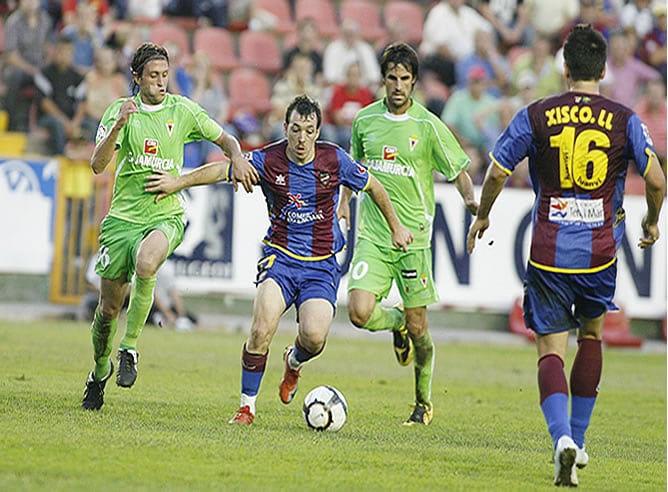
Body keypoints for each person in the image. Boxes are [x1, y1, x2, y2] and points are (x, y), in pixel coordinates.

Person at [466, 25, 665, 487]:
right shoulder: (624, 118)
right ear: (603, 70)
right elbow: (655, 179)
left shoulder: (537, 113)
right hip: (599, 254)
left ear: (566, 68)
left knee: (550, 348)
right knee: (591, 336)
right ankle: (579, 437)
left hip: (549, 252)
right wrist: (652, 220)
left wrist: (484, 215)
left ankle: (561, 440)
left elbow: (496, 172)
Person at [143, 94, 414, 425]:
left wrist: (396, 226)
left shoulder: (334, 159)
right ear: (285, 128)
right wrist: (178, 182)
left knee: (314, 339)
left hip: (321, 266)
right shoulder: (269, 160)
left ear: (318, 131)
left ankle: (294, 362)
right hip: (281, 260)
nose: (301, 138)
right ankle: (246, 407)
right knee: (261, 328)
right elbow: (221, 171)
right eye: (295, 129)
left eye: (309, 130)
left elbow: (374, 186)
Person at [80, 41, 258, 411]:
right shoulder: (120, 111)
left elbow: (226, 138)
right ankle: (99, 371)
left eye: (165, 75)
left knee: (147, 264)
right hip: (122, 219)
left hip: (165, 213)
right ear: (137, 78)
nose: (162, 83)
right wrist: (118, 126)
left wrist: (237, 157)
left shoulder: (183, 109)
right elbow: (97, 165)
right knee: (108, 309)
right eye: (154, 76)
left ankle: (129, 349)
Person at [337, 43, 478, 426]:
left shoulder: (427, 125)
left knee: (421, 329)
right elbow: (354, 166)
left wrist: (471, 203)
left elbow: (459, 170)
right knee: (359, 312)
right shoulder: (364, 121)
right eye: (392, 78)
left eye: (404, 79)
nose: (398, 85)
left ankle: (423, 403)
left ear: (414, 82)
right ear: (383, 80)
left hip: (414, 239)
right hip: (374, 235)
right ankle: (393, 322)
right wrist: (345, 201)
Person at [34, 35, 87, 156]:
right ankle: (60, 157)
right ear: (56, 51)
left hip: (71, 119)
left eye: (69, 52)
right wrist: (66, 123)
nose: (65, 55)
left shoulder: (77, 76)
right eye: (62, 51)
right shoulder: (44, 73)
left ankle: (89, 159)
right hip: (47, 118)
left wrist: (75, 124)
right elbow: (45, 103)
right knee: (56, 124)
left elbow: (82, 103)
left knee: (91, 124)